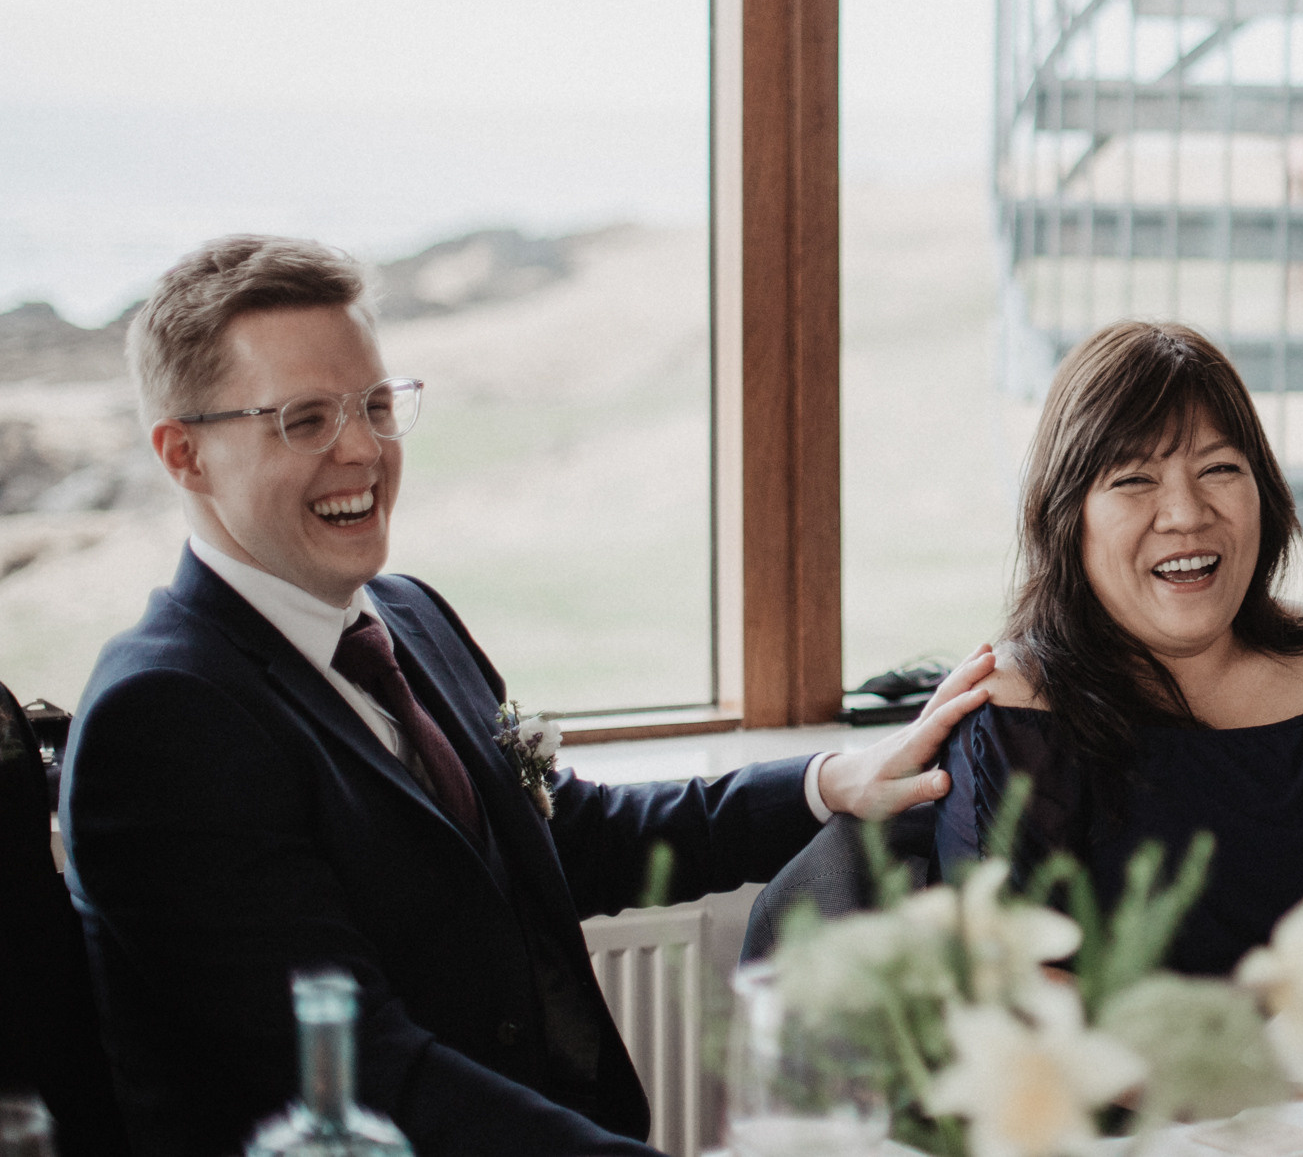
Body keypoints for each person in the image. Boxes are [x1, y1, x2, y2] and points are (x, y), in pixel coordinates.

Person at [60, 236, 990, 1157]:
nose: (364, 450)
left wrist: (833, 781)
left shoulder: (407, 615)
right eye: (305, 420)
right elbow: (363, 1067)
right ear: (182, 454)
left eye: (378, 405)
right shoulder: (163, 717)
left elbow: (568, 838)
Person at [936, 320, 1303, 1054]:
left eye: (1219, 469)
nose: (1187, 513)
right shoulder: (1013, 717)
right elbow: (1009, 981)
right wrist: (1238, 1087)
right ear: (1065, 514)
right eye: (1134, 478)